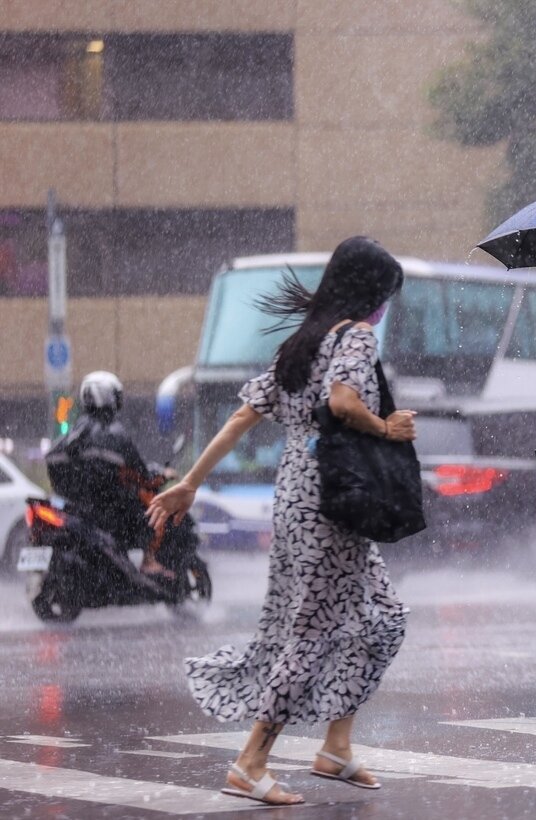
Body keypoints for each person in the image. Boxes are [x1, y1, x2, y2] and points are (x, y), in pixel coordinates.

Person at [148, 236, 414, 805]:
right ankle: (251, 761)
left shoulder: (304, 341)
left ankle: (336, 747)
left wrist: (191, 482)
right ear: (370, 291)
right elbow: (343, 403)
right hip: (332, 496)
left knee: (383, 617)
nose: (386, 306)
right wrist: (386, 428)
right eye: (386, 293)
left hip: (298, 488)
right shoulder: (357, 338)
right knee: (311, 634)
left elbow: (241, 417)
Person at [46, 371, 169, 575]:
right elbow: (142, 473)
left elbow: (52, 459)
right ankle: (148, 560)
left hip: (77, 507)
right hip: (107, 508)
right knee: (149, 510)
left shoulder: (74, 431)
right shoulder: (113, 432)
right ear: (110, 397)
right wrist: (160, 475)